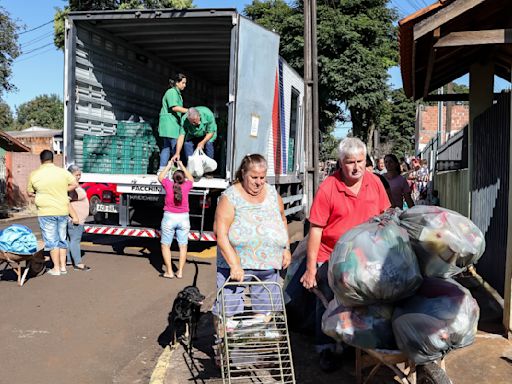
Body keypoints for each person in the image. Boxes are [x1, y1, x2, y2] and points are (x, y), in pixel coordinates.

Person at [300, 138, 390, 372]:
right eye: (350, 162)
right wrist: (311, 269)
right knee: (329, 303)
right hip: (331, 256)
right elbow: (316, 229)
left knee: (362, 302)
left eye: (360, 161)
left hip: (364, 257)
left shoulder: (375, 182)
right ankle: (326, 349)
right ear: (341, 162)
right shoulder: (329, 187)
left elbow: (386, 218)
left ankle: (354, 345)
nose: (356, 167)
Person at [212, 154, 291, 324]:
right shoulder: (230, 197)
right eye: (254, 177)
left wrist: (286, 248)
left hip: (268, 267)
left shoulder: (271, 193)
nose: (259, 182)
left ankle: (254, 340)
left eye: (262, 177)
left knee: (264, 313)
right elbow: (221, 233)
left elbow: (282, 219)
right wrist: (234, 264)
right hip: (236, 269)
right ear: (243, 174)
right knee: (227, 314)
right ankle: (223, 346)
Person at [27, 150, 78, 276]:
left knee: (52, 241)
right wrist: (61, 189)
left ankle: (55, 268)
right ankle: (63, 267)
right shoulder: (62, 172)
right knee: (62, 239)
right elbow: (74, 184)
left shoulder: (34, 174)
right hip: (62, 210)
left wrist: (39, 193)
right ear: (53, 159)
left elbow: (29, 192)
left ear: (41, 160)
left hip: (46, 212)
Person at [157, 160, 194, 279]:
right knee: (183, 246)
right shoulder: (187, 186)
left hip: (169, 217)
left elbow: (160, 177)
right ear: (183, 179)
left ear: (173, 178)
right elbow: (191, 178)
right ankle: (180, 271)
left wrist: (168, 165)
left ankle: (169, 271)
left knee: (165, 245)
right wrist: (182, 165)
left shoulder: (168, 184)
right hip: (184, 218)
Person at [158, 73, 188, 172]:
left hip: (171, 123)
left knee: (166, 147)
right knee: (176, 147)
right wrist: (189, 111)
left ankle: (162, 169)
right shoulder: (172, 92)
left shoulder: (177, 93)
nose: (184, 85)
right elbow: (174, 107)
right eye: (183, 83)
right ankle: (175, 169)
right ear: (177, 83)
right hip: (170, 123)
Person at [66, 165, 91, 271]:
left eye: (80, 174)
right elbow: (66, 201)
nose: (79, 177)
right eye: (76, 175)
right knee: (75, 240)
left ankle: (67, 260)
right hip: (76, 219)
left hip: (75, 219)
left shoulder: (74, 186)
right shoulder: (72, 187)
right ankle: (78, 263)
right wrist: (74, 216)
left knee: (69, 240)